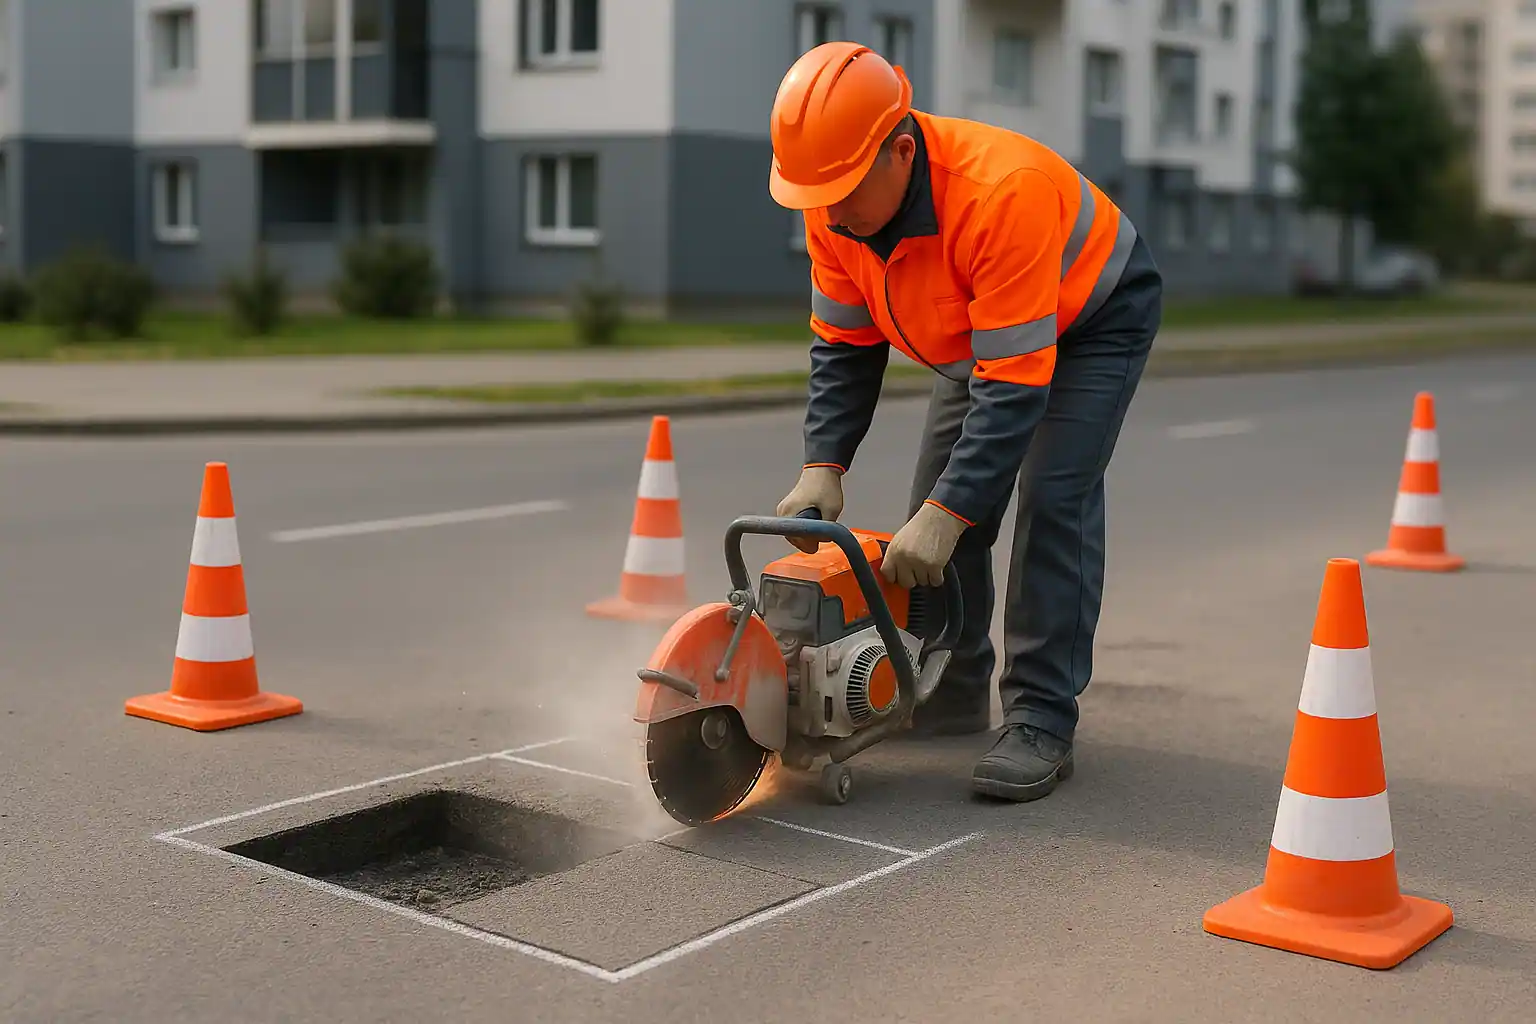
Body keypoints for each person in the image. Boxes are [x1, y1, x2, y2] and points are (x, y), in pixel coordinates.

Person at [767, 41, 1162, 803]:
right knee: (938, 510)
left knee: (1051, 496)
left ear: (901, 153)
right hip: (981, 339)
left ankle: (1042, 717)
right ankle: (956, 685)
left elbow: (1014, 388)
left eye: (843, 191)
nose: (831, 214)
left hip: (1092, 318)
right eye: (816, 196)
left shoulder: (996, 193)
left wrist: (947, 515)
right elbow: (846, 349)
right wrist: (824, 463)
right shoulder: (832, 208)